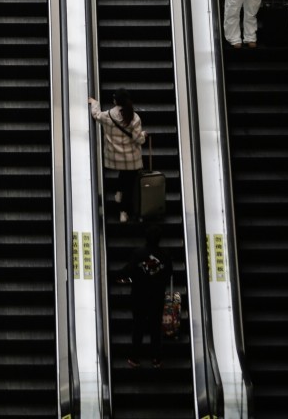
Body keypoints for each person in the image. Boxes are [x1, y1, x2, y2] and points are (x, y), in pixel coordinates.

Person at [114, 225, 173, 369]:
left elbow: (129, 270)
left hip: (139, 296)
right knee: (155, 327)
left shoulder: (138, 253)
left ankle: (135, 358)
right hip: (157, 296)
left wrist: (116, 276)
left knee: (138, 326)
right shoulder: (165, 255)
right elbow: (168, 273)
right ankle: (156, 359)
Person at [89, 89, 147, 223]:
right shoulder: (134, 118)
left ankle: (119, 192)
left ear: (115, 101)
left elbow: (95, 114)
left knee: (123, 174)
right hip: (131, 158)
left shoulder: (108, 115)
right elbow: (140, 140)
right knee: (129, 185)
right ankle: (123, 211)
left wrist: (94, 102)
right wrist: (144, 134)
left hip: (115, 157)